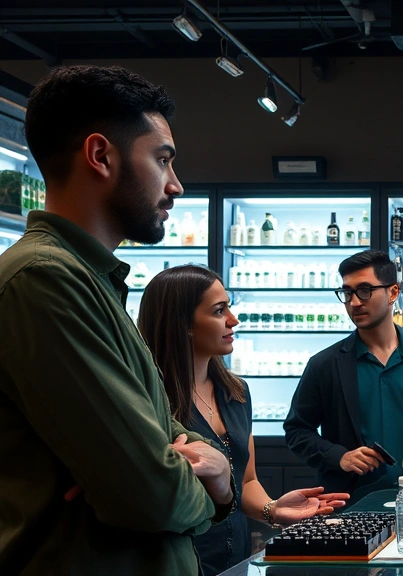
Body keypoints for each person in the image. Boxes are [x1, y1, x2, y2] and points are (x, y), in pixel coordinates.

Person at [0, 65, 234, 575]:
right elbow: (150, 493)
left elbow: (160, 441)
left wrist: (211, 469)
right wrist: (204, 479)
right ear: (100, 155)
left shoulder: (91, 278)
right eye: (163, 159)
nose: (177, 185)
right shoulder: (44, 279)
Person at [137, 265, 349, 575]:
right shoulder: (150, 399)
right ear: (183, 323)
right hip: (174, 560)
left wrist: (273, 509)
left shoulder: (235, 392)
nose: (233, 320)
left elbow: (246, 480)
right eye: (219, 310)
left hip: (236, 556)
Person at [284, 250, 403, 503]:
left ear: (393, 292)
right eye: (347, 293)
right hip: (350, 501)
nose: (354, 302)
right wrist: (339, 456)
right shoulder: (324, 365)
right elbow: (297, 430)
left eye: (364, 290)